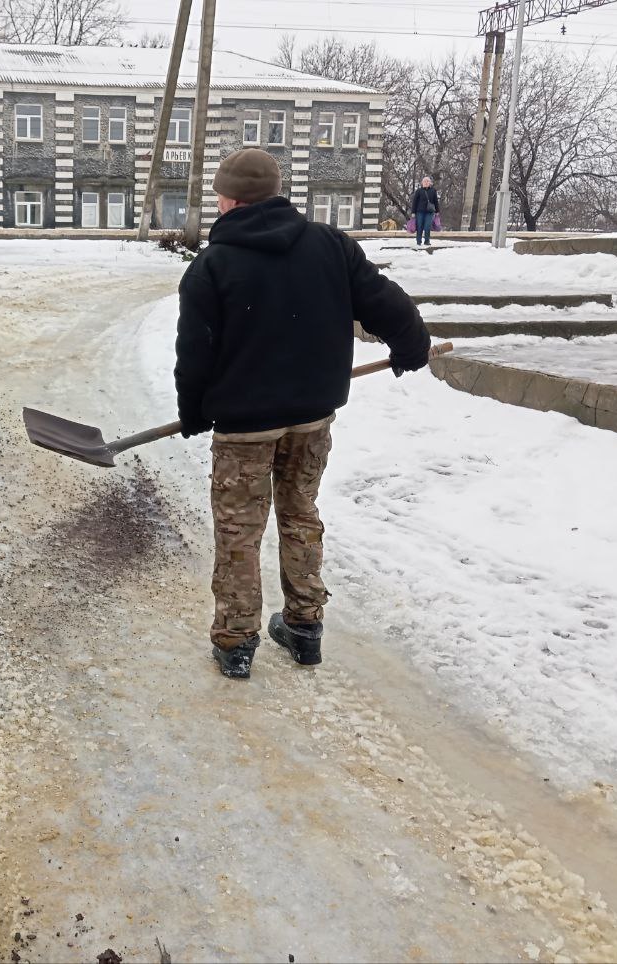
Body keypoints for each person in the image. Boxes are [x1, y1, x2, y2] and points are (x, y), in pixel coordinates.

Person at [175, 148, 431, 680]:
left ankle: (237, 640)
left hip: (245, 428)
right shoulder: (330, 245)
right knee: (299, 513)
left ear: (229, 198)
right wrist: (412, 345)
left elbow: (195, 352)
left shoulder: (213, 265)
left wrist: (194, 410)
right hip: (312, 417)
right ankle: (305, 626)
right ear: (274, 193)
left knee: (240, 532)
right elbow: (385, 300)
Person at [411, 175, 440, 246]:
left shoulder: (433, 191)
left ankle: (427, 241)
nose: (426, 182)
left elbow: (436, 201)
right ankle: (418, 241)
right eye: (424, 181)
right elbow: (414, 202)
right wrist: (413, 212)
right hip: (419, 212)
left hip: (429, 212)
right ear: (422, 183)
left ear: (430, 183)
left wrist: (437, 211)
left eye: (427, 181)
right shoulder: (419, 191)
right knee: (419, 226)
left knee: (427, 226)